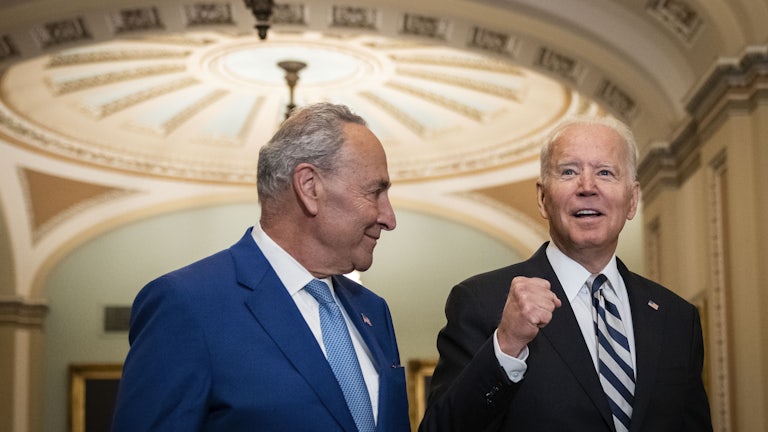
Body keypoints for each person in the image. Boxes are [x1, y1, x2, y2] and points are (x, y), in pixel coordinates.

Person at [112, 102, 411, 431]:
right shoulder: (187, 305)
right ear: (310, 187)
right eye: (375, 192)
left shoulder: (373, 310)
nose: (389, 218)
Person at [419, 116, 712, 432]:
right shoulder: (481, 302)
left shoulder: (677, 318)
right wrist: (506, 345)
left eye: (605, 172)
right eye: (569, 172)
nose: (587, 187)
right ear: (543, 198)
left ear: (632, 199)